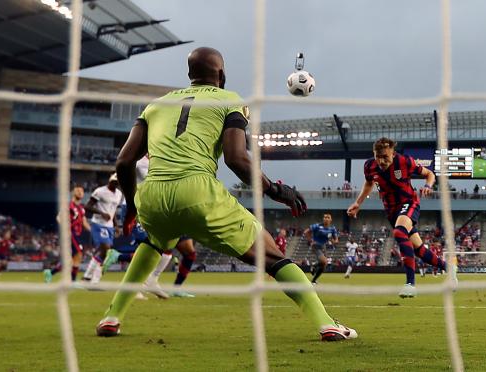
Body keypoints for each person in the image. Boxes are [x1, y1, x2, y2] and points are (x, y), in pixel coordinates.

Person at [96, 47, 356, 341]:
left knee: (156, 241)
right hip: (196, 190)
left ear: (189, 75)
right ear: (221, 74)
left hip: (152, 195)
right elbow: (236, 159)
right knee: (271, 256)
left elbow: (123, 161)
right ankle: (327, 324)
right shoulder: (230, 100)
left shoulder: (155, 105)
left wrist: (132, 207)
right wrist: (275, 189)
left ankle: (111, 317)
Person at [346, 138, 457, 298]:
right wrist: (358, 203)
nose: (381, 161)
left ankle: (410, 284)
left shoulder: (404, 162)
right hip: (391, 211)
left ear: (393, 153)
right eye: (378, 156)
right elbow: (369, 184)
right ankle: (449, 268)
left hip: (409, 203)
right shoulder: (369, 166)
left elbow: (429, 174)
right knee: (419, 250)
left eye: (385, 157)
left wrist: (428, 185)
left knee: (399, 232)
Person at [102, 155, 197, 299]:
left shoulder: (165, 157)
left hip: (165, 209)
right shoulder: (138, 160)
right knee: (151, 248)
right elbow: (121, 172)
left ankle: (159, 283)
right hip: (139, 210)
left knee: (183, 250)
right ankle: (132, 283)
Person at [82, 174, 124, 284]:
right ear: (110, 180)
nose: (116, 183)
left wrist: (116, 226)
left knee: (102, 252)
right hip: (98, 224)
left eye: (117, 182)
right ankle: (95, 281)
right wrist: (101, 213)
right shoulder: (99, 191)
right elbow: (88, 206)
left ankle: (87, 277)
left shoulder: (119, 194)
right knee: (105, 250)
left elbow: (113, 210)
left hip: (109, 226)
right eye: (114, 181)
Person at [44, 185, 91, 283]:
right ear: (74, 192)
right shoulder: (69, 205)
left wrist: (93, 231)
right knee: (79, 254)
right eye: (78, 190)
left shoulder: (81, 208)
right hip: (71, 233)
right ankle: (72, 281)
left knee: (71, 260)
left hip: (78, 234)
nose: (80, 192)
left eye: (82, 191)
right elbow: (59, 217)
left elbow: (84, 222)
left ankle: (51, 272)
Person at [304, 213, 339, 284]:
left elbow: (336, 241)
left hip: (323, 247)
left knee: (324, 265)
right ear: (323, 219)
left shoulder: (332, 229)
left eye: (328, 217)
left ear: (331, 220)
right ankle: (314, 266)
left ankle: (314, 279)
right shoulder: (317, 226)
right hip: (316, 246)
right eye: (325, 217)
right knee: (324, 261)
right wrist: (310, 240)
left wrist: (331, 240)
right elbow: (306, 232)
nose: (326, 219)